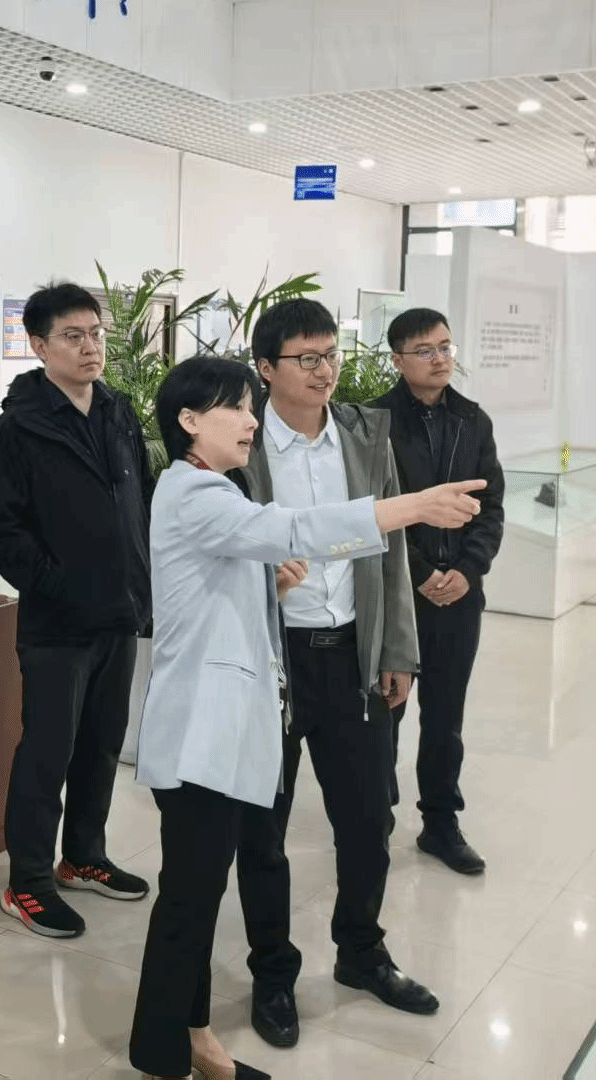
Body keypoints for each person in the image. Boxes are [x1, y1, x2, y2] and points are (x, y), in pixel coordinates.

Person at [129, 356, 485, 1080]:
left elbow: (226, 584)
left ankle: (187, 1042)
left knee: (194, 899)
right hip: (200, 735)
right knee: (189, 903)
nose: (251, 422)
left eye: (250, 407)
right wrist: (411, 507)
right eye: (236, 408)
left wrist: (273, 583)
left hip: (214, 732)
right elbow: (297, 527)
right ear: (189, 420)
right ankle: (169, 1054)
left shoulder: (209, 490)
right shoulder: (196, 491)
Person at [233, 299, 434, 1051]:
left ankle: (360, 950)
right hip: (274, 662)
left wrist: (396, 649)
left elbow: (392, 548)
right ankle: (273, 971)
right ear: (266, 368)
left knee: (367, 820)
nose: (325, 371)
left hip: (353, 654)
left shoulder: (362, 435)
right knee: (264, 828)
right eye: (306, 358)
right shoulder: (241, 445)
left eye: (330, 356)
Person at [0, 283, 154, 939]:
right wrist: (62, 587)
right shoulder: (18, 427)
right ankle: (27, 881)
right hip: (58, 624)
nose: (90, 347)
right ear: (39, 345)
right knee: (48, 752)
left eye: (96, 334)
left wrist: (140, 584)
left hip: (120, 614)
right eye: (73, 336)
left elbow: (141, 501)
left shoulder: (116, 410)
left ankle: (83, 855)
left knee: (102, 744)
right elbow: (0, 531)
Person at [372, 308, 506, 876]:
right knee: (385, 711)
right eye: (425, 350)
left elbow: (491, 506)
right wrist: (421, 572)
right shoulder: (374, 421)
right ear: (398, 359)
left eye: (446, 346)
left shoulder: (473, 420)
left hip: (459, 595)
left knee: (446, 715)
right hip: (399, 595)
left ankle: (441, 823)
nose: (439, 358)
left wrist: (468, 571)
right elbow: (374, 510)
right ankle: (374, 817)